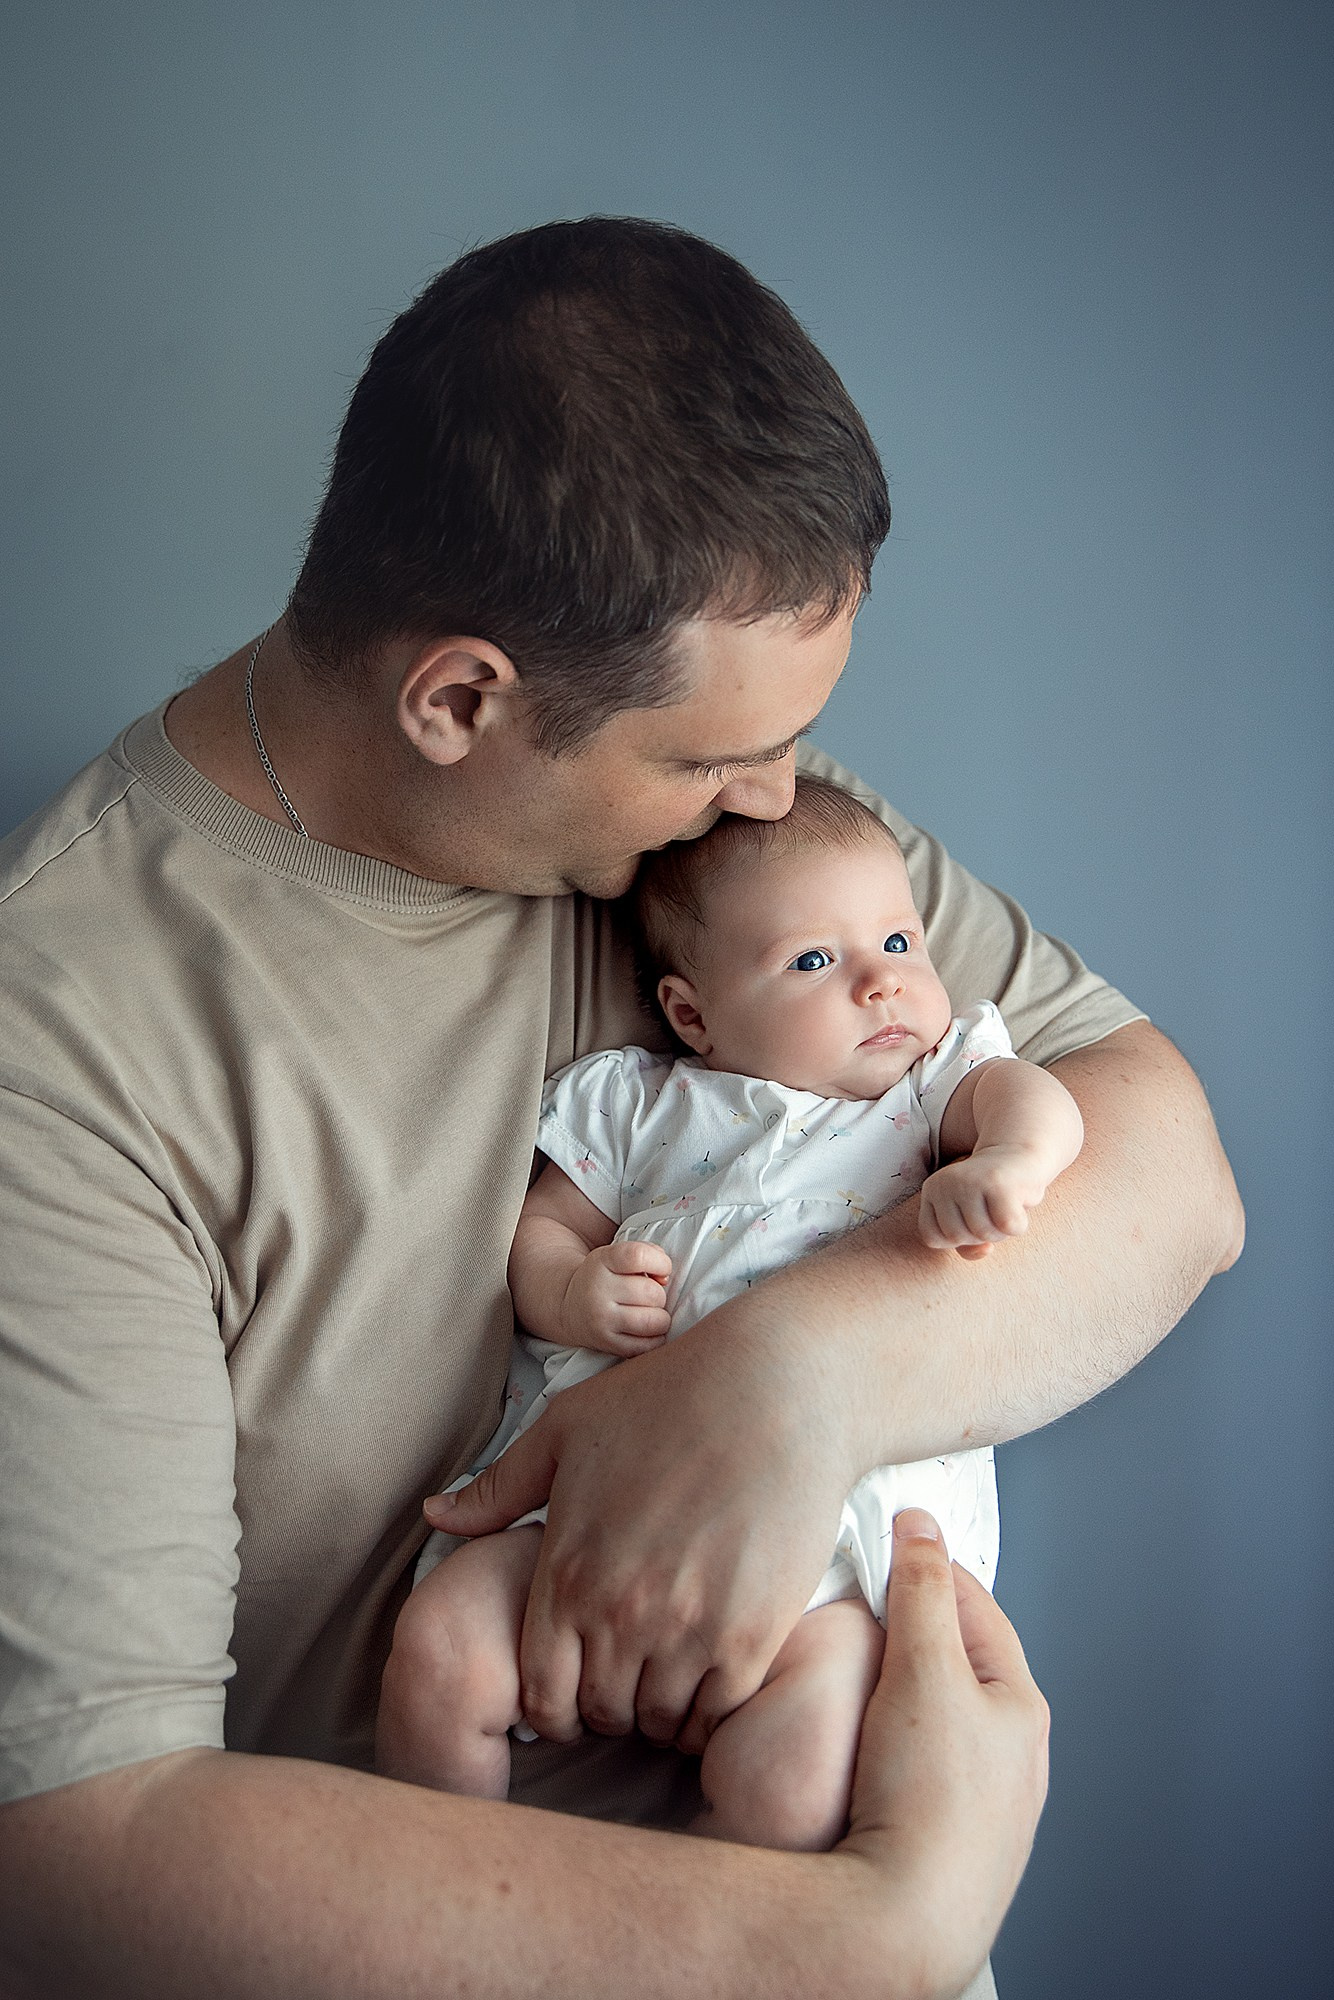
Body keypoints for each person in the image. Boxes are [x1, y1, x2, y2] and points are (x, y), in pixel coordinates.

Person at [0, 218, 1242, 1997]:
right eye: (707, 758)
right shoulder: (61, 1037)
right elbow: (72, 1849)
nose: (776, 796)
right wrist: (857, 1939)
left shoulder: (744, 847)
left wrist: (798, 1377)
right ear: (459, 700)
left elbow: (1171, 1174)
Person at [377, 776, 1085, 1851]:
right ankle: (439, 1881)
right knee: (438, 1651)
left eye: (898, 938)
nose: (879, 983)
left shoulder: (928, 1088)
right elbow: (539, 1232)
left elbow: (1040, 1100)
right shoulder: (638, 1101)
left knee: (801, 1777)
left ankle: (724, 1926)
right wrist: (571, 1287)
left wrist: (1009, 1163)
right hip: (594, 1501)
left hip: (839, 1550)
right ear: (692, 1012)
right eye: (813, 960)